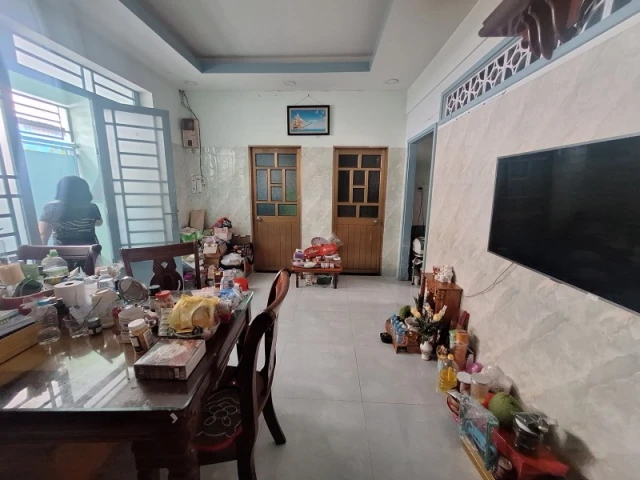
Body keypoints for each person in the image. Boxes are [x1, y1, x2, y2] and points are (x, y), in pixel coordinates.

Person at [39, 176, 103, 245]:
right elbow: (99, 223)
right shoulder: (92, 207)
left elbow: (43, 233)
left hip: (64, 249)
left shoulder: (51, 207)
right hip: (90, 248)